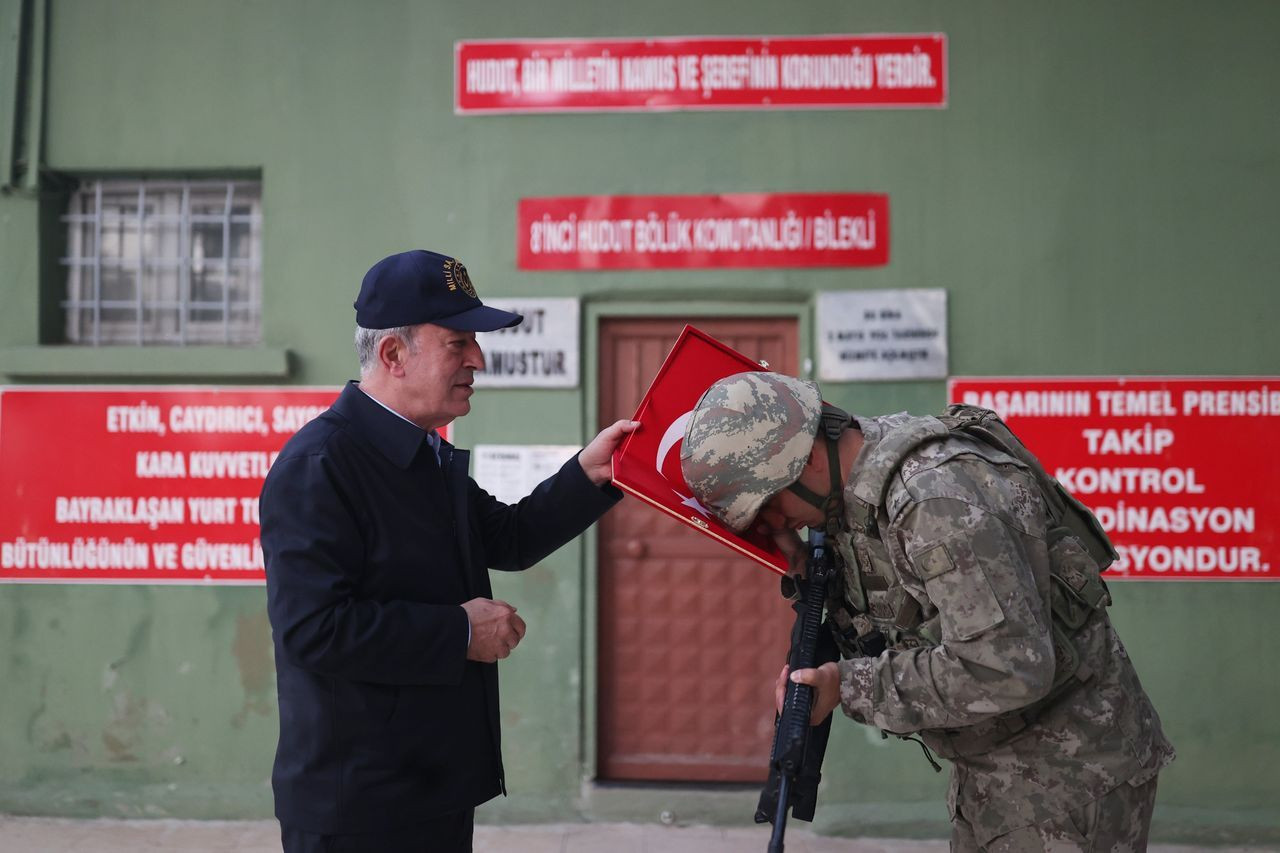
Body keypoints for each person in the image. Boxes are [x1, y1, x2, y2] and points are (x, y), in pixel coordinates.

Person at [679, 371, 1175, 852]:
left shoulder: (935, 501)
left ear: (805, 458)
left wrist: (846, 686)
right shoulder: (855, 483)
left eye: (768, 506)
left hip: (1066, 774)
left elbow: (1008, 664)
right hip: (996, 767)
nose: (773, 524)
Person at [260, 249, 636, 853]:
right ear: (392, 354)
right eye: (459, 343)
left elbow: (508, 539)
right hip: (358, 803)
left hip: (431, 785)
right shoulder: (319, 466)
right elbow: (313, 629)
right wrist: (458, 634)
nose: (478, 360)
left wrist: (590, 473)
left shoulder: (423, 454)